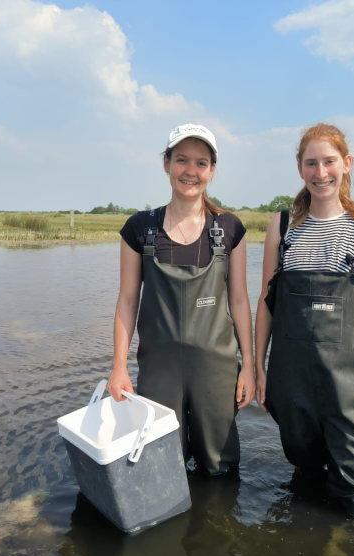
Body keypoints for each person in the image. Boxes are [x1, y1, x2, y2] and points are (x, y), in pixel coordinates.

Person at [254, 123, 354, 516]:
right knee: (306, 478)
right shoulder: (282, 227)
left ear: (346, 164)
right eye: (311, 163)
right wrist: (260, 369)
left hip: (348, 385)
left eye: (329, 162)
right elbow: (266, 302)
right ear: (300, 169)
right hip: (291, 379)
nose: (321, 173)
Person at [107, 123, 254, 475]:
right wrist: (118, 366)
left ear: (212, 170)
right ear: (166, 164)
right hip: (159, 370)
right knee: (161, 463)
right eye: (182, 160)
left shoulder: (229, 229)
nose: (191, 171)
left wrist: (249, 365)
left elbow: (239, 301)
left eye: (201, 163)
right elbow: (127, 301)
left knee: (219, 466)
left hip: (217, 370)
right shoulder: (140, 229)